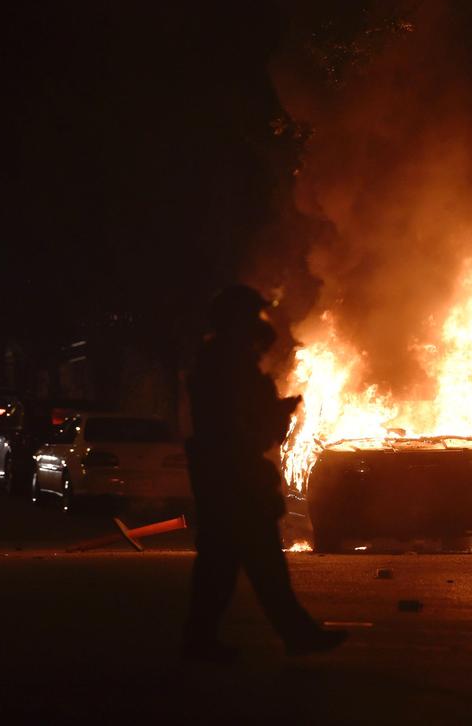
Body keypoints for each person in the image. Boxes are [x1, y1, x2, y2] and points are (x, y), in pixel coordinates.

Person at [183, 284, 346, 663]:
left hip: (228, 477)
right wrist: (278, 415)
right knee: (239, 565)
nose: (259, 324)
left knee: (241, 564)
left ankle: (286, 634)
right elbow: (243, 427)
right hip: (233, 478)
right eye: (252, 316)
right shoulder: (229, 366)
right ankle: (208, 640)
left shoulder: (219, 361)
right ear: (237, 321)